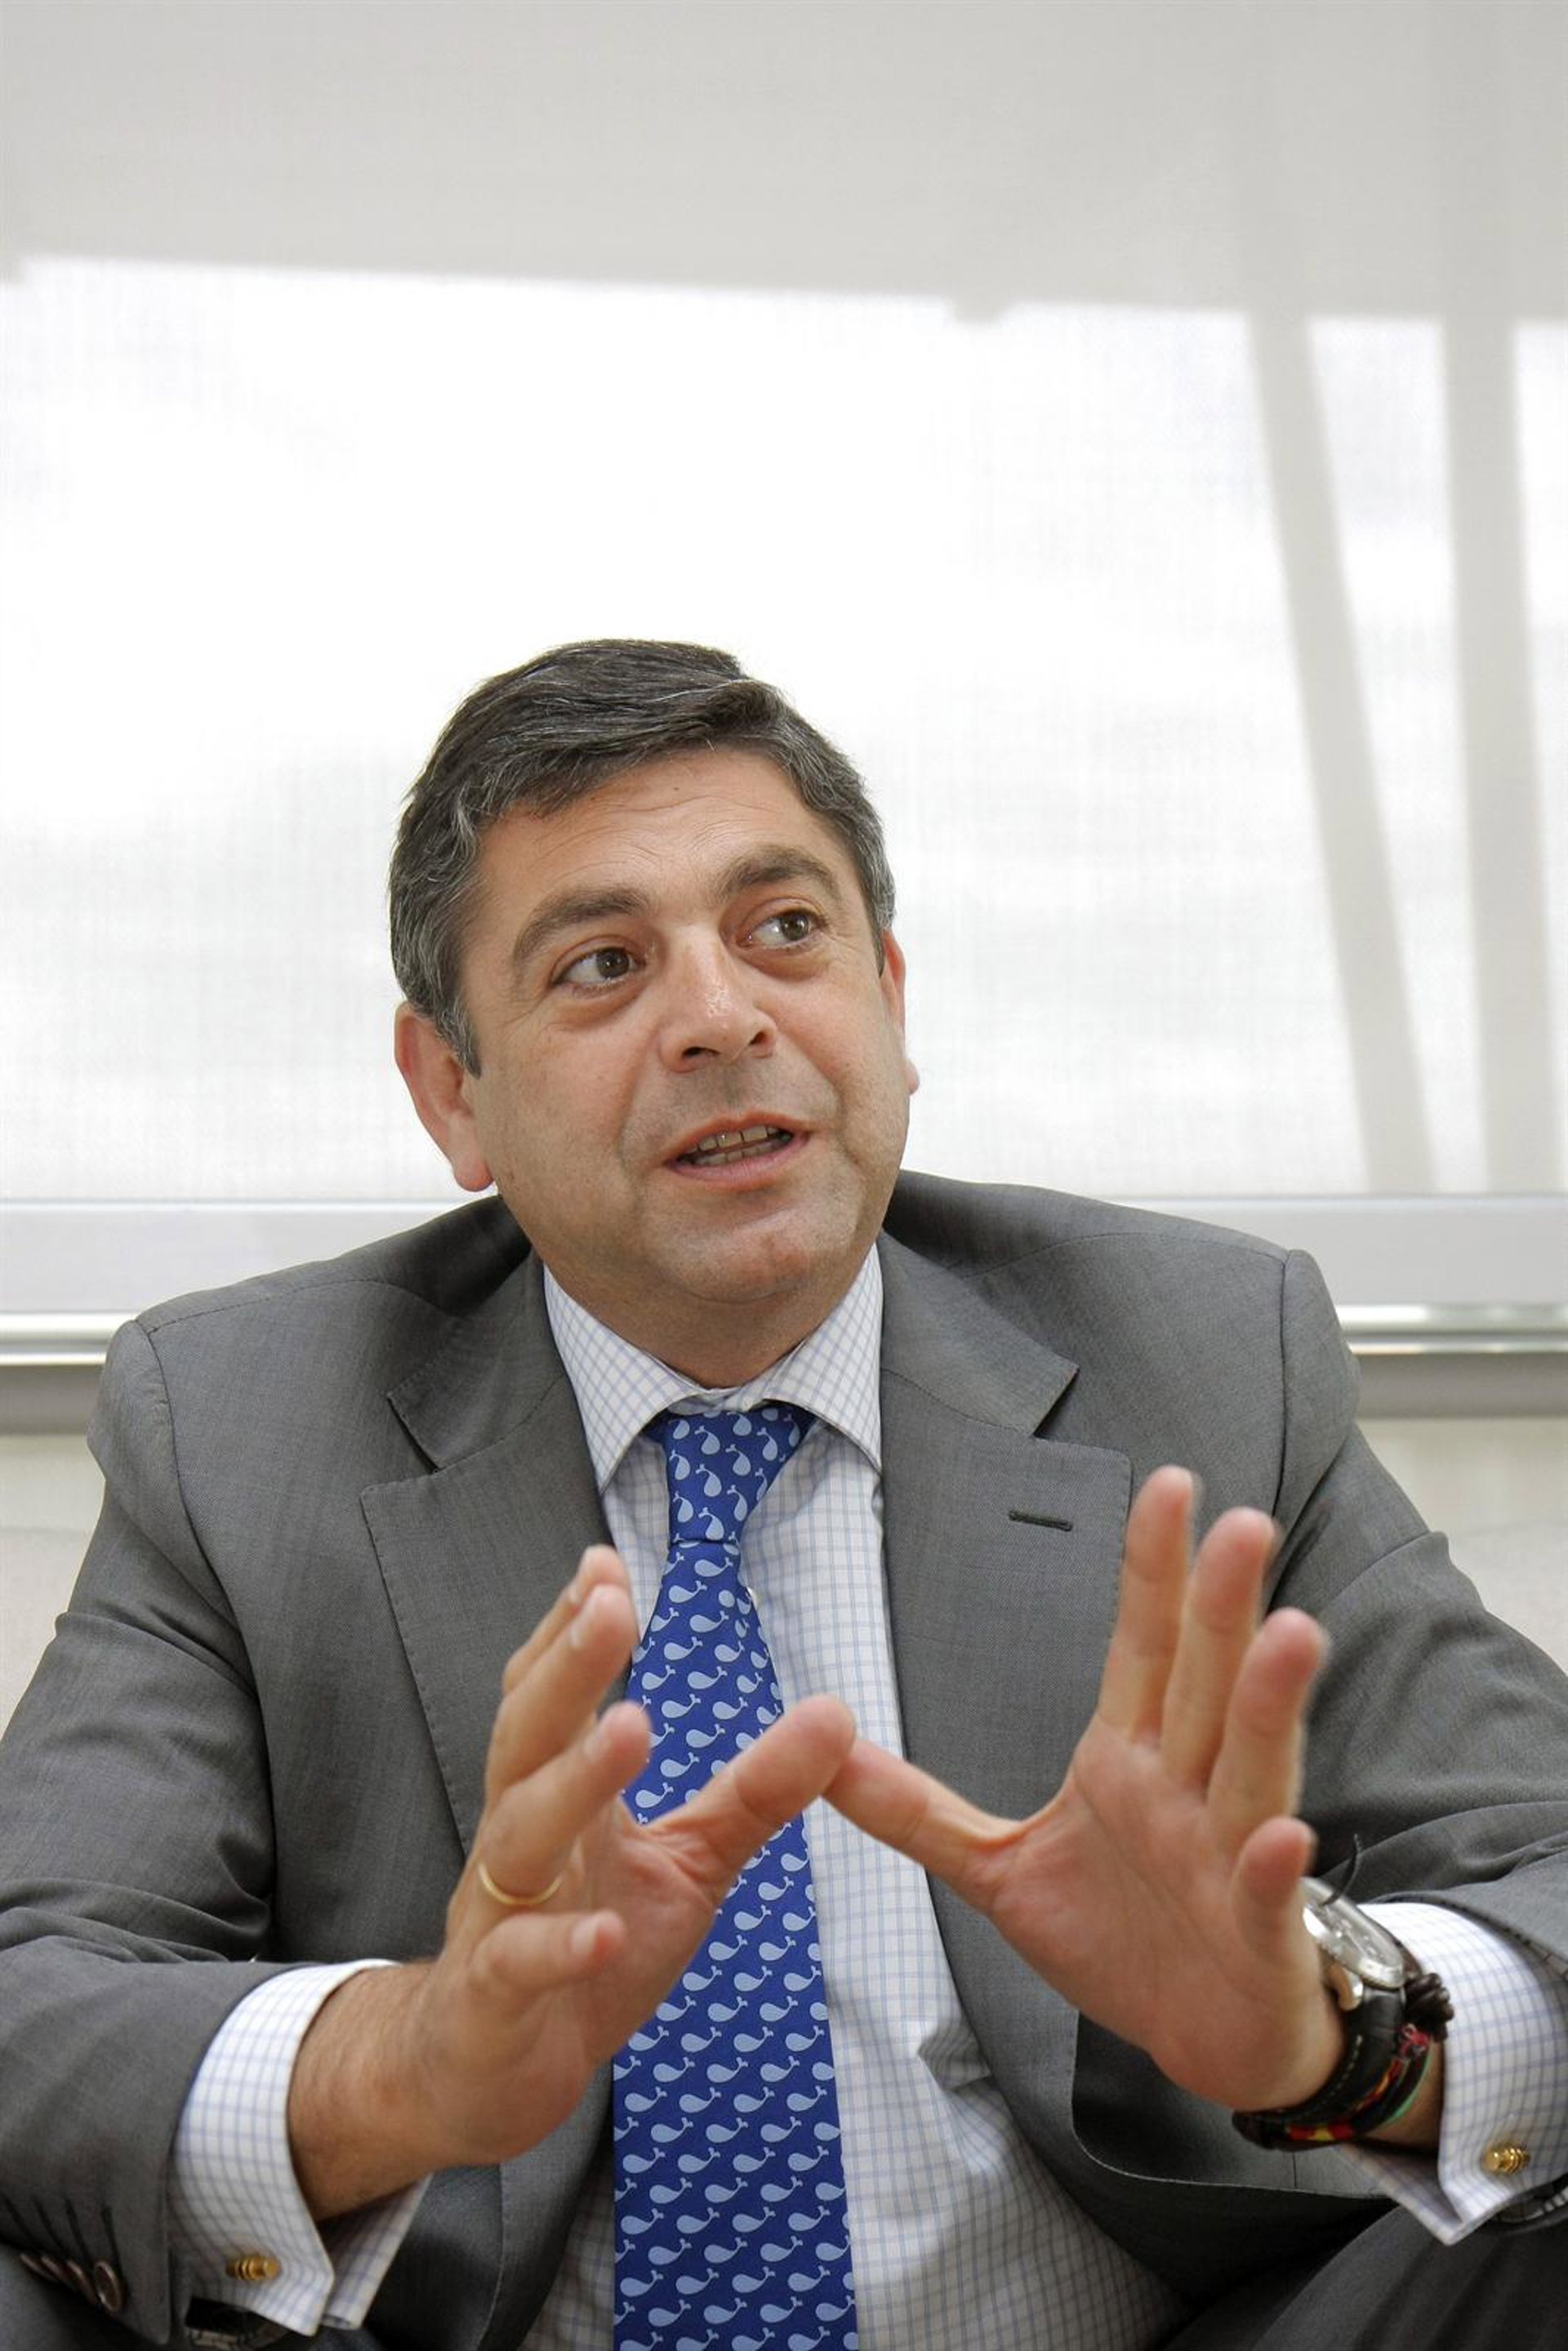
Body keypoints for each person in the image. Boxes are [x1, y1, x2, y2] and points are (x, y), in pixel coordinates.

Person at [1, 639, 1564, 2351]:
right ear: (454, 1091)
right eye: (604, 965)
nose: (723, 1017)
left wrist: (1333, 2033)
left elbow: (1546, 1859)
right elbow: (32, 1999)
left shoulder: (1196, 1353)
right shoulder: (245, 1424)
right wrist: (407, 2061)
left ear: (888, 993)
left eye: (786, 930)